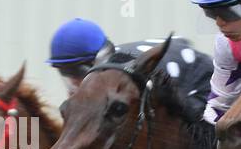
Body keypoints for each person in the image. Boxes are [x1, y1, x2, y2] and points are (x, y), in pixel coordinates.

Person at [47, 18, 214, 122]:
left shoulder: (137, 77)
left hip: (199, 82)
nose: (74, 81)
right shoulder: (111, 68)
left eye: (78, 71)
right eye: (65, 72)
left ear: (101, 58)